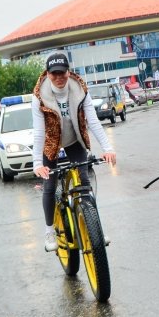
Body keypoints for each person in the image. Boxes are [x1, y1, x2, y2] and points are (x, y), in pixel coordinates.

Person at [32, 51, 116, 252]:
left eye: (62, 73)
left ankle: (94, 228)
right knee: (50, 185)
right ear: (48, 74)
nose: (59, 78)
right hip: (50, 143)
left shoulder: (80, 90)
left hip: (73, 139)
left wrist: (108, 148)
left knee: (85, 183)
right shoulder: (39, 97)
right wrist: (37, 163)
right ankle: (49, 230)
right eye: (54, 74)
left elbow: (93, 121)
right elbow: (38, 132)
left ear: (68, 72)